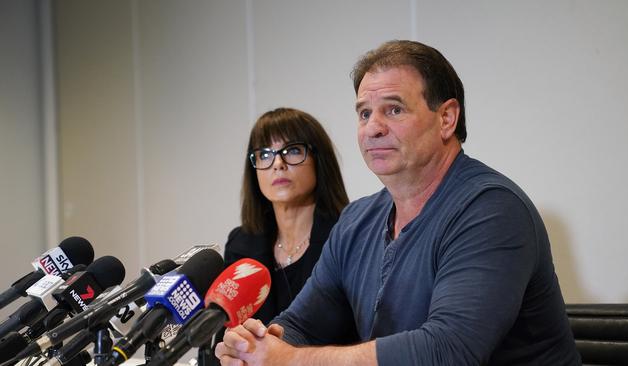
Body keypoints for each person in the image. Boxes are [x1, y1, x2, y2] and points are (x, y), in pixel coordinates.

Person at [216, 41, 581, 365]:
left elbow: (447, 351)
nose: (373, 127)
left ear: (446, 118)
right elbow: (302, 323)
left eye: (393, 110)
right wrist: (256, 348)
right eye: (364, 113)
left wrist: (291, 362)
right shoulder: (356, 220)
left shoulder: (492, 210)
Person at [223, 107, 349, 325]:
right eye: (264, 155)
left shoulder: (347, 236)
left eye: (292, 151)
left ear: (319, 160)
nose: (278, 164)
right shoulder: (241, 245)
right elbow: (226, 336)